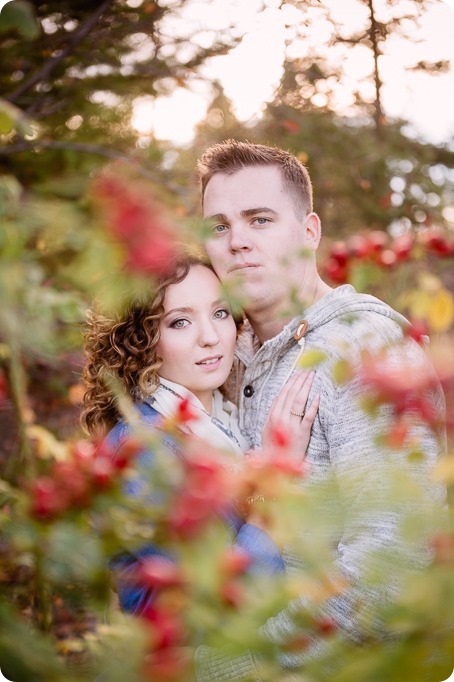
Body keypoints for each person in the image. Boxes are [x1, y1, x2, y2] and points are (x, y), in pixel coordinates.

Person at [195, 139, 447, 677]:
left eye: (259, 220)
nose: (237, 241)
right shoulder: (220, 356)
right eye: (219, 226)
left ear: (309, 232)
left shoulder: (366, 347)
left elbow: (393, 562)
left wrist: (232, 665)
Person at [81, 254, 319, 616]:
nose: (210, 338)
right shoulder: (143, 450)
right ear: (142, 341)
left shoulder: (228, 422)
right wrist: (271, 486)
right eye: (180, 322)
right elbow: (204, 609)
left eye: (221, 313)